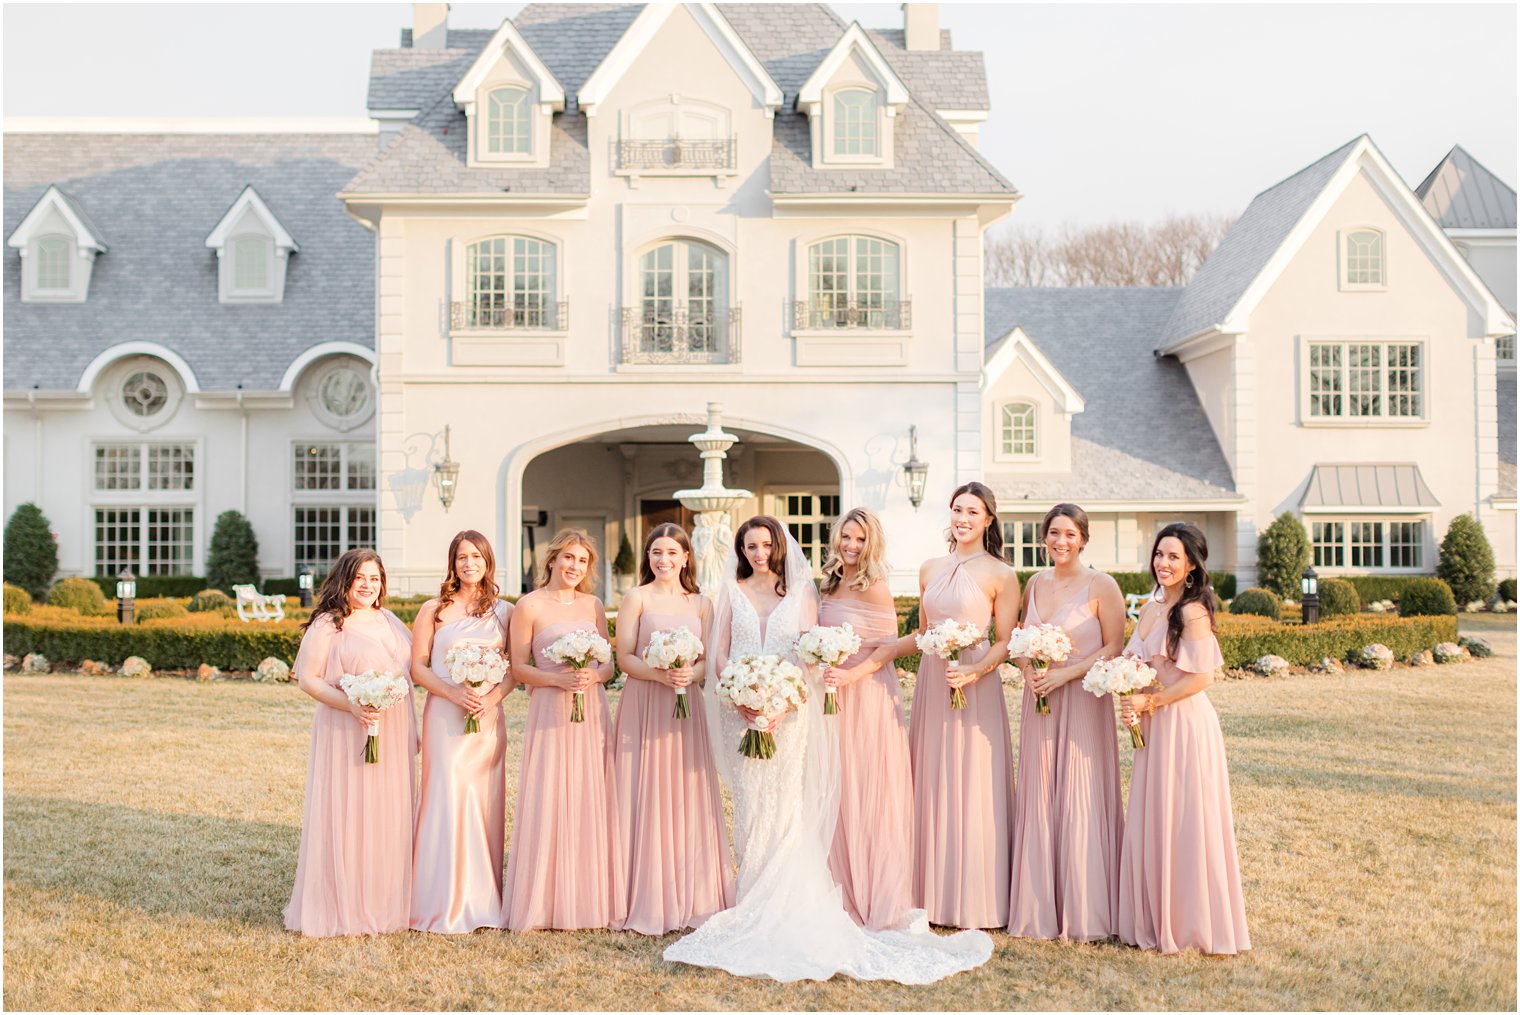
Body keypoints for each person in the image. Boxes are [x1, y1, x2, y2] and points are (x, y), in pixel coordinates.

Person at [663, 516, 992, 983]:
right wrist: (741, 697)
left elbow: (806, 656)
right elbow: (718, 654)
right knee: (751, 804)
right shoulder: (731, 592)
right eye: (750, 545)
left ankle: (786, 901)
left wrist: (780, 704)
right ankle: (752, 896)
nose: (759, 552)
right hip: (740, 710)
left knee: (788, 805)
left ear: (779, 547)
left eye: (766, 544)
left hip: (790, 711)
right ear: (741, 550)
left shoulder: (802, 594)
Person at [1117, 522, 1250, 955]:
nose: (1163, 563)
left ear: (1191, 565)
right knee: (1156, 816)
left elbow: (1202, 677)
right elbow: (1135, 660)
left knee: (1186, 819)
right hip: (1153, 723)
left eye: (1174, 557)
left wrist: (1149, 703)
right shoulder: (1152, 608)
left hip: (1185, 725)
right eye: (1159, 554)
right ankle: (1155, 916)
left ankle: (1189, 921)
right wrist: (1122, 685)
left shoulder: (1192, 612)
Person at [1007, 503, 1126, 941]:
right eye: (1054, 533)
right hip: (1040, 700)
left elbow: (1113, 647)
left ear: (1084, 539)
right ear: (1044, 537)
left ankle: (1086, 908)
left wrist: (1065, 673)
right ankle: (1038, 908)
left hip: (1081, 700)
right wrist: (1028, 669)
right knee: (1040, 791)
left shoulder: (1102, 585)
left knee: (1079, 793)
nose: (1061, 541)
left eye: (1070, 534)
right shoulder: (1034, 582)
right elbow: (1020, 638)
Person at [285, 548, 417, 937]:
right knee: (349, 812)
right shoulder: (329, 624)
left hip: (391, 729)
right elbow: (307, 679)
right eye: (360, 577)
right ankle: (342, 904)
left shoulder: (390, 620)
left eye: (375, 579)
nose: (368, 585)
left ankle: (385, 902)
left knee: (387, 814)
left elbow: (411, 673)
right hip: (345, 728)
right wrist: (352, 707)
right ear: (345, 580)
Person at [611, 522, 733, 935]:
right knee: (641, 788)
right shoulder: (636, 597)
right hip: (645, 701)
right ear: (648, 559)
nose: (663, 560)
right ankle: (639, 890)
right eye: (656, 553)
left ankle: (691, 890)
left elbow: (711, 660)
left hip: (686, 707)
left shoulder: (702, 603)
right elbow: (624, 657)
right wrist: (659, 675)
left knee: (685, 790)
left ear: (686, 558)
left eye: (671, 553)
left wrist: (691, 673)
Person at [500, 528, 625, 931]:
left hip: (590, 711)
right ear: (552, 559)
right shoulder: (529, 606)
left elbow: (609, 664)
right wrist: (557, 681)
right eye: (568, 558)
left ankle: (589, 896)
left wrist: (594, 675)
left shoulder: (593, 605)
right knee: (551, 793)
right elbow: (519, 668)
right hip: (550, 710)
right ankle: (545, 899)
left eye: (582, 561)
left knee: (591, 794)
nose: (574, 567)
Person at [909, 482, 1020, 929]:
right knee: (933, 777)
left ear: (988, 520)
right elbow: (921, 633)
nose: (963, 518)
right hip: (934, 681)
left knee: (975, 780)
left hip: (977, 682)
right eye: (957, 509)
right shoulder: (929, 567)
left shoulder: (1001, 574)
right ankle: (928, 895)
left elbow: (1007, 641)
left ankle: (979, 896)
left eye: (973, 512)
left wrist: (974, 672)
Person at [409, 530, 515, 933]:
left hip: (487, 720)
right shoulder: (433, 610)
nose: (469, 564)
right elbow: (418, 667)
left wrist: (493, 697)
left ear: (488, 562)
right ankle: (439, 900)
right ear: (452, 564)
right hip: (444, 717)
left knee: (482, 802)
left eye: (476, 557)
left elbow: (513, 670)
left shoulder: (504, 612)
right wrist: (454, 692)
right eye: (461, 558)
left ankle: (483, 900)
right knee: (446, 797)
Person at [817, 507, 914, 930]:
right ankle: (837, 885)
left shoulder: (875, 587)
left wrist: (850, 675)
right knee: (836, 785)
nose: (851, 546)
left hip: (868, 693)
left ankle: (875, 891)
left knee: (868, 787)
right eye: (846, 538)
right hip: (831, 696)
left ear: (870, 543)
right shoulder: (828, 584)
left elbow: (887, 648)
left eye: (859, 540)